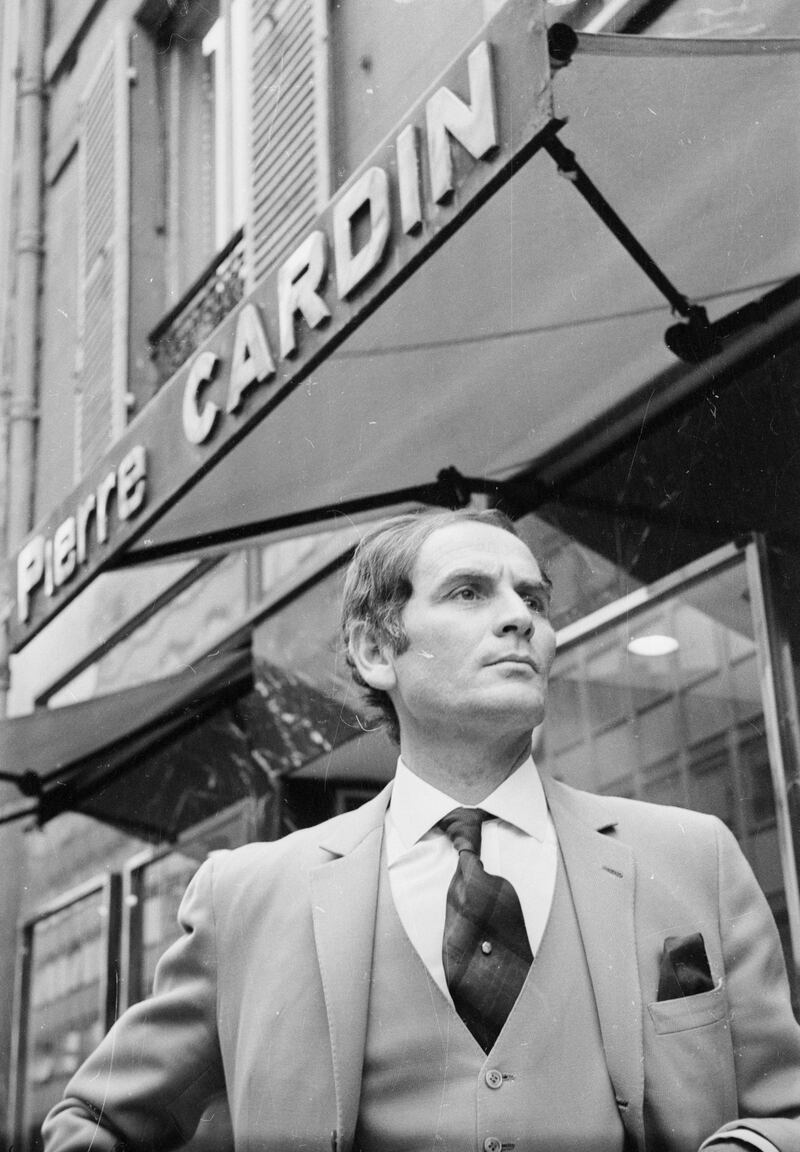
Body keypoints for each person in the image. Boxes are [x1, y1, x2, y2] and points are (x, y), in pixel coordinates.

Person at [43, 508, 800, 1152]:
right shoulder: (248, 896)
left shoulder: (691, 857)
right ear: (378, 652)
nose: (520, 618)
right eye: (470, 592)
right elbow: (91, 1120)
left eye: (533, 599)